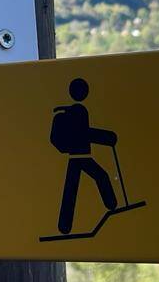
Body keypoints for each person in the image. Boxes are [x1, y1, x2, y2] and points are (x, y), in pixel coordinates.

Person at [51, 77, 119, 235]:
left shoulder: (74, 111)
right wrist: (108, 138)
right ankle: (112, 206)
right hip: (81, 157)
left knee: (71, 190)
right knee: (100, 177)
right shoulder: (78, 112)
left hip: (76, 157)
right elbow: (85, 134)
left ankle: (64, 227)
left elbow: (84, 133)